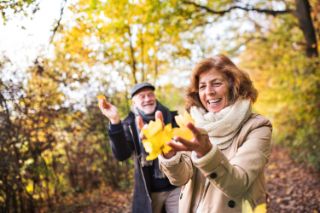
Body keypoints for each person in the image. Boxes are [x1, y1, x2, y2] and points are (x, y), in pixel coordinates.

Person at [158, 55, 272, 212]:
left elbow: (238, 184)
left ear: (234, 86)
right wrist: (170, 156)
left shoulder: (257, 126)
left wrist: (207, 154)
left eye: (216, 84)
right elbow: (180, 178)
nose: (209, 92)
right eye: (202, 86)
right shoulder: (193, 123)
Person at [98, 82, 180, 213]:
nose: (147, 99)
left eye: (150, 94)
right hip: (149, 191)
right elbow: (121, 155)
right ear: (134, 102)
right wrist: (114, 120)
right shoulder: (129, 124)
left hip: (176, 186)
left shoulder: (172, 117)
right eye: (142, 96)